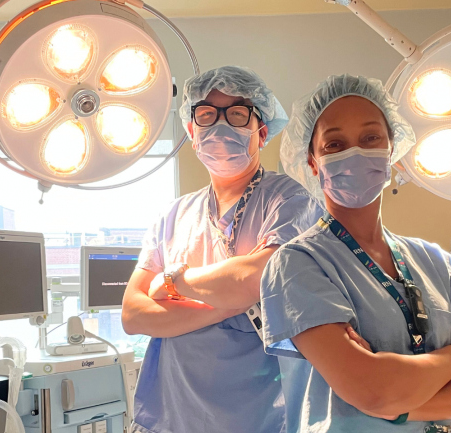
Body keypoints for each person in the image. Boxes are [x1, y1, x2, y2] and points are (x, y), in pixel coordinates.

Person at [260, 74, 451, 432]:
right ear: (313, 163)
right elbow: (375, 392)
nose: (355, 153)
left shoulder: (438, 263)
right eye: (334, 144)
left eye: (370, 138)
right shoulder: (298, 263)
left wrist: (404, 408)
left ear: (392, 148)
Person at [122, 66, 323, 433]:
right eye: (206, 114)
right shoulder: (173, 214)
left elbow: (255, 279)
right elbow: (134, 315)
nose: (220, 125)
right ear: (191, 131)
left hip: (255, 415)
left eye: (236, 113)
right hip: (174, 413)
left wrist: (173, 282)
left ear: (261, 133)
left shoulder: (290, 201)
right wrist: (228, 303)